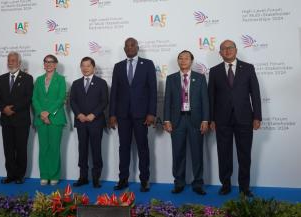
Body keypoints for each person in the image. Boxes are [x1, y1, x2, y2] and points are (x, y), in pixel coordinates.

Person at [208, 40, 262, 197]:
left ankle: (245, 187)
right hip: (221, 119)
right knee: (223, 153)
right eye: (224, 49)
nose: (227, 50)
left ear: (236, 50)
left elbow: (255, 94)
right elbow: (211, 96)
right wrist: (211, 118)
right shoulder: (214, 71)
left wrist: (257, 116)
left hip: (244, 118)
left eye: (230, 48)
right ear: (220, 53)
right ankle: (225, 184)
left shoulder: (248, 68)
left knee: (244, 154)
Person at [109, 37, 157, 192]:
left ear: (137, 47)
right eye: (127, 46)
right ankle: (123, 179)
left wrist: (151, 113)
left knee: (143, 147)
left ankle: (145, 180)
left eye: (132, 45)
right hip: (122, 115)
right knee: (124, 147)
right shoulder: (118, 66)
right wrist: (112, 114)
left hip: (142, 115)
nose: (129, 48)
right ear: (124, 49)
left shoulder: (148, 64)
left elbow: (153, 91)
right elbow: (114, 92)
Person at [163, 50, 209, 195]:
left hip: (195, 120)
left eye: (186, 58)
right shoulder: (171, 78)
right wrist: (167, 120)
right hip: (177, 120)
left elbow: (205, 101)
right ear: (178, 61)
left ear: (191, 61)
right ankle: (179, 182)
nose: (183, 61)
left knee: (197, 153)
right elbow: (167, 101)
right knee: (178, 153)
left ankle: (198, 183)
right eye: (180, 58)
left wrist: (205, 119)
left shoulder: (200, 78)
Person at [0, 52, 34, 184]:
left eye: (13, 60)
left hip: (21, 120)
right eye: (9, 60)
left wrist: (13, 109)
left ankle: (20, 175)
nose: (10, 62)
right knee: (8, 150)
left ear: (19, 63)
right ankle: (10, 174)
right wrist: (3, 109)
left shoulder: (27, 78)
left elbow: (28, 98)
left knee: (21, 149)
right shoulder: (1, 78)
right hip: (6, 120)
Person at [70, 57, 108, 188]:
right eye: (83, 66)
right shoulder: (75, 83)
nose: (85, 68)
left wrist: (93, 114)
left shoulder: (101, 83)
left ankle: (96, 178)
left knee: (96, 150)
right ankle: (83, 177)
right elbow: (72, 101)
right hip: (81, 122)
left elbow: (104, 101)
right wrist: (79, 114)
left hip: (95, 122)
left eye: (88, 66)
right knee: (82, 150)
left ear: (93, 68)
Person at [32, 54, 67, 186]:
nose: (48, 64)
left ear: (56, 64)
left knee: (54, 148)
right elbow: (34, 99)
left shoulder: (61, 79)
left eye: (51, 62)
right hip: (41, 119)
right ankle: (44, 175)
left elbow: (61, 98)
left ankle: (54, 175)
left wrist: (48, 113)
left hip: (55, 119)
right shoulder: (39, 80)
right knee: (43, 148)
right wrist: (42, 113)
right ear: (44, 64)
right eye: (46, 62)